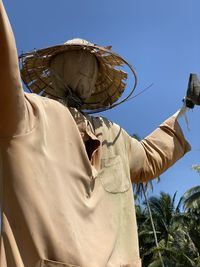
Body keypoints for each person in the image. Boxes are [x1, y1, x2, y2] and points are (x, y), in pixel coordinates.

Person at [0, 1, 199, 267]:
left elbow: (150, 156)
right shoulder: (31, 114)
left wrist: (184, 109)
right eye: (76, 65)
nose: (83, 72)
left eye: (88, 67)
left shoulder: (112, 134)